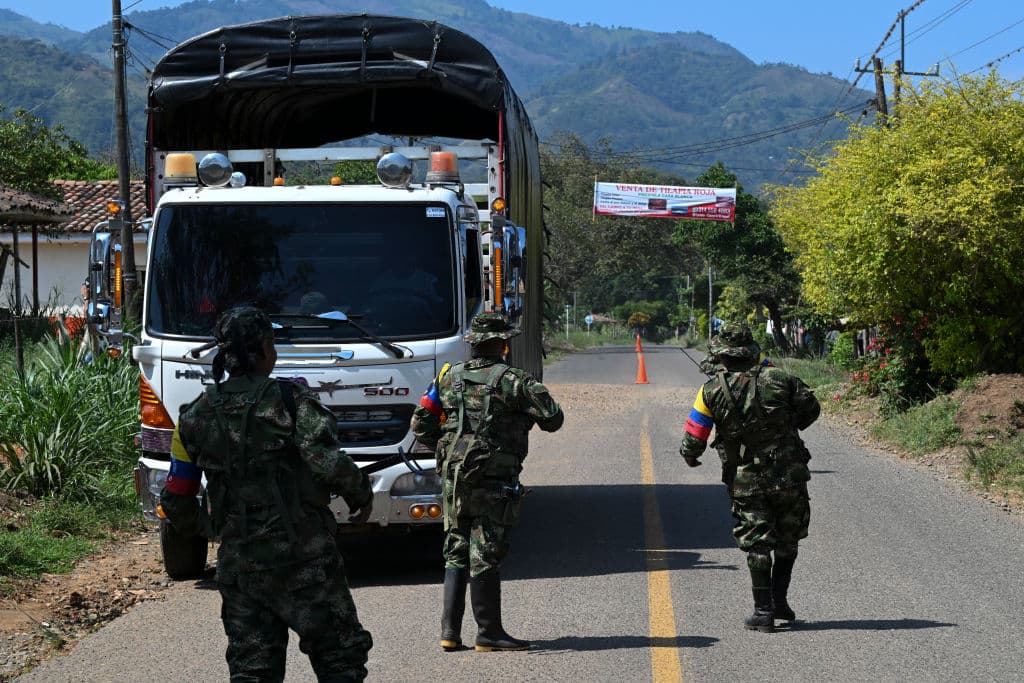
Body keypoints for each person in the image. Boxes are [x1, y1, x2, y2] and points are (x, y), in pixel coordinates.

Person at [159, 305, 374, 681]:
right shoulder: (290, 402)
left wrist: (211, 528)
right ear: (263, 348)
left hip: (241, 571)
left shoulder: (194, 417)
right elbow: (328, 461)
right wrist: (361, 496)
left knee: (252, 672)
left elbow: (176, 497)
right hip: (306, 564)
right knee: (340, 662)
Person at [410, 312, 564, 652]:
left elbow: (420, 423)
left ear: (473, 345)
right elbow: (554, 418)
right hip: (493, 479)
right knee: (486, 552)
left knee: (456, 549)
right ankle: (489, 633)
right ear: (503, 344)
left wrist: (450, 447)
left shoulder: (448, 378)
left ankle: (449, 633)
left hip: (454, 476)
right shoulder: (514, 381)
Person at [678, 322, 820, 633]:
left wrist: (691, 457)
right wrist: (787, 426)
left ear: (722, 357)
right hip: (789, 476)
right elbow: (812, 409)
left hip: (745, 480)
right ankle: (780, 600)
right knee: (788, 538)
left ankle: (763, 611)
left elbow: (694, 438)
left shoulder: (710, 390)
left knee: (757, 544)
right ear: (752, 353)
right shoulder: (782, 379)